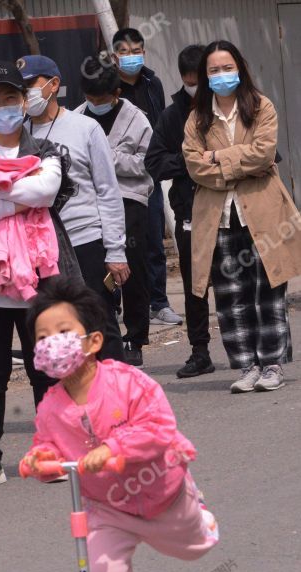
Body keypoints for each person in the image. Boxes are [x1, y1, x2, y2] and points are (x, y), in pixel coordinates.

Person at [21, 279, 219, 572]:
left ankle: (199, 514)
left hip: (161, 493)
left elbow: (158, 426)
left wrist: (113, 449)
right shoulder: (51, 406)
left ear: (93, 342)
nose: (50, 343)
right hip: (107, 509)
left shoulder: (129, 383)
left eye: (62, 333)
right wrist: (41, 461)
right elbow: (48, 448)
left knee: (196, 546)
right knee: (101, 569)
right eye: (42, 337)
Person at [0, 60, 82, 490]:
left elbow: (44, 192)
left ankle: (50, 451)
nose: (4, 107)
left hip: (37, 280)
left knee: (45, 368)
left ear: (25, 103)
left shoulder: (45, 150)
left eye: (11, 98)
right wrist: (18, 197)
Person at [183, 40, 301, 393]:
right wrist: (236, 163)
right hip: (218, 218)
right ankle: (246, 366)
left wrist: (217, 157)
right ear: (205, 76)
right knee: (231, 296)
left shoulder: (260, 106)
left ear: (240, 68)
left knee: (268, 291)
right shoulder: (197, 116)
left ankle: (272, 365)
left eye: (227, 67)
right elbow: (194, 165)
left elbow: (264, 155)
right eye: (214, 70)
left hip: (263, 213)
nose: (222, 75)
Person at [20, 54, 128, 362]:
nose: (26, 93)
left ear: (53, 85)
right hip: (41, 249)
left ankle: (115, 400)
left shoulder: (85, 128)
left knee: (99, 324)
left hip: (85, 241)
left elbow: (108, 190)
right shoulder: (17, 136)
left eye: (31, 85)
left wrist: (116, 251)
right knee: (57, 331)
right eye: (21, 87)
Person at [76, 54, 153, 368]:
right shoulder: (79, 117)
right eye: (91, 97)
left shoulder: (137, 119)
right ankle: (101, 330)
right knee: (98, 274)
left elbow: (147, 162)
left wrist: (109, 157)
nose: (96, 103)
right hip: (91, 201)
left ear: (116, 94)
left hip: (129, 198)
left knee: (130, 267)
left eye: (102, 98)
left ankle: (135, 335)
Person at [146, 45, 215, 378]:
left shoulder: (232, 107)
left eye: (198, 80)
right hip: (191, 209)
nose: (194, 87)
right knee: (194, 286)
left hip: (234, 210)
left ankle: (249, 349)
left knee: (239, 282)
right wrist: (192, 163)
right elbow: (155, 162)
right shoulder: (173, 115)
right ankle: (199, 351)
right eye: (188, 81)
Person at [112, 27, 183, 327]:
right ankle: (113, 306)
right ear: (114, 55)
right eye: (125, 52)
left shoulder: (153, 83)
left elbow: (162, 125)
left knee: (153, 240)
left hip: (148, 176)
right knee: (115, 245)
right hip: (114, 180)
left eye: (137, 50)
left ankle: (158, 303)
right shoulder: (108, 87)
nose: (131, 57)